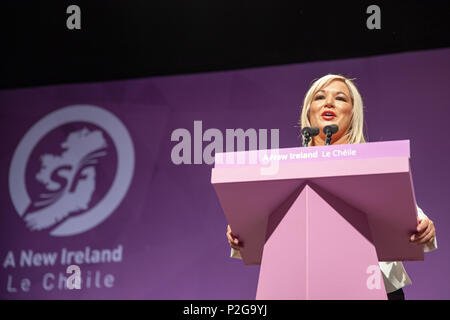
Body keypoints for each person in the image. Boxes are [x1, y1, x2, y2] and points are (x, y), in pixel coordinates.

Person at [226, 74, 437, 300]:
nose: (329, 103)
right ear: (309, 112)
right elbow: (258, 221)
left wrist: (424, 227)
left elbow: (407, 212)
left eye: (340, 98)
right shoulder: (283, 169)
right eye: (320, 97)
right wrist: (242, 229)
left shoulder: (372, 162)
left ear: (353, 113)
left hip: (375, 289)